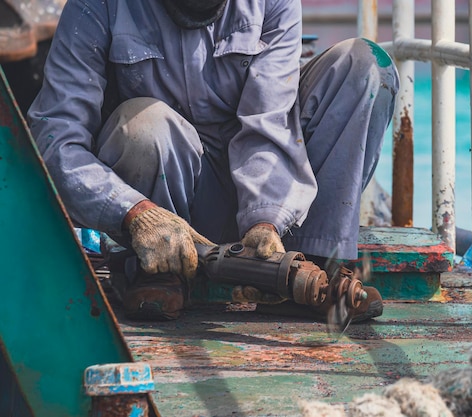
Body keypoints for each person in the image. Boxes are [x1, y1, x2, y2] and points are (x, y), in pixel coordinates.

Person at [27, 0, 399, 321]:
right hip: (167, 206)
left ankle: (309, 262)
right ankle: (161, 272)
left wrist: (266, 221)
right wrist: (133, 211)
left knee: (365, 67)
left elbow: (268, 121)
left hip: (275, 206)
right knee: (144, 123)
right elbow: (57, 134)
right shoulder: (99, 5)